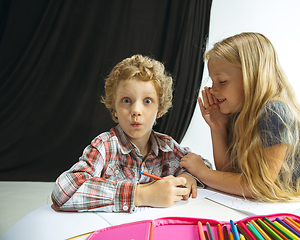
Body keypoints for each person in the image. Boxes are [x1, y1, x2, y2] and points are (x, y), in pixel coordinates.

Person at [180, 32, 300, 202]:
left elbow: (259, 186)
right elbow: (229, 175)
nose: (212, 90)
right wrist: (218, 127)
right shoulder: (238, 115)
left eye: (221, 81)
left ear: (252, 77)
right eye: (212, 82)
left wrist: (203, 172)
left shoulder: (273, 112)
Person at [51, 54, 211, 213]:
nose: (136, 110)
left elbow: (203, 166)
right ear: (114, 109)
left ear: (159, 109)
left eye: (147, 101)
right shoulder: (105, 146)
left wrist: (189, 177)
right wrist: (142, 194)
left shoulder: (166, 147)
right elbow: (63, 191)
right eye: (126, 100)